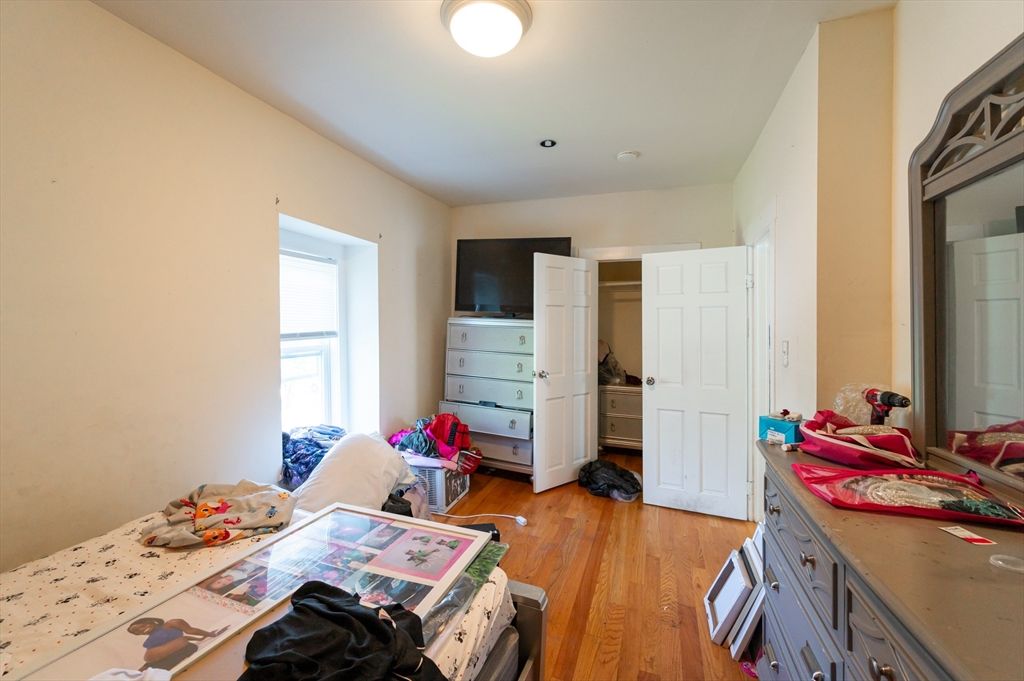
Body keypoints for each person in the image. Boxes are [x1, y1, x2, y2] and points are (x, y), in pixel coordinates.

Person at [127, 617, 228, 671]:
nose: (141, 630)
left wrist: (210, 634)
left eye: (141, 626)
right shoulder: (150, 640)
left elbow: (190, 631)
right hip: (161, 657)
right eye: (136, 632)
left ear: (150, 621)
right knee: (144, 669)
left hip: (182, 650)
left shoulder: (172, 624)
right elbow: (155, 653)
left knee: (155, 669)